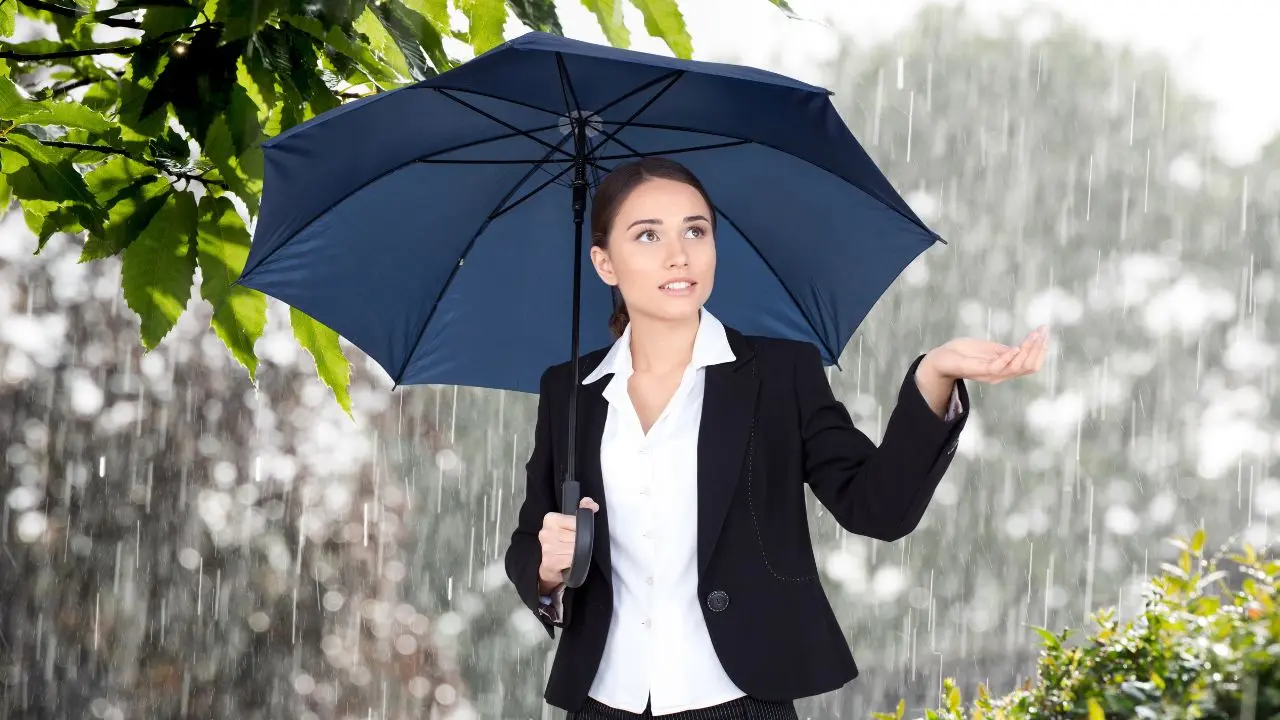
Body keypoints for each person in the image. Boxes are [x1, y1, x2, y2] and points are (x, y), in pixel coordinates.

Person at [503, 157, 1048, 719]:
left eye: (696, 231)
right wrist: (547, 566)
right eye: (647, 235)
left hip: (738, 699)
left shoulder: (780, 373)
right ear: (604, 263)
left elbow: (877, 509)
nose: (679, 254)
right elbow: (527, 541)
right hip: (602, 701)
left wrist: (933, 377)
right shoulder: (568, 390)